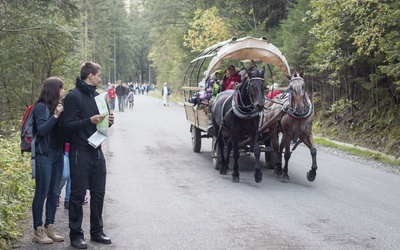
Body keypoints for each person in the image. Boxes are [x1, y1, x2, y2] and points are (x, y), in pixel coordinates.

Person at [61, 61, 114, 249]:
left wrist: (108, 122)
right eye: (98, 75)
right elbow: (65, 127)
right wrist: (88, 120)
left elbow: (99, 125)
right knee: (78, 194)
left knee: (98, 193)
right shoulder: (72, 96)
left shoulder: (98, 97)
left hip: (96, 150)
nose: (100, 78)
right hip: (79, 151)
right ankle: (76, 235)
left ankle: (97, 231)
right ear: (90, 75)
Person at [31, 77, 65, 244]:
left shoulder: (56, 107)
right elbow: (42, 130)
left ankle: (50, 225)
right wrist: (56, 116)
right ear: (53, 90)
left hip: (58, 154)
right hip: (44, 154)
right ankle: (38, 230)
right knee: (41, 192)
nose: (63, 91)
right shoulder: (40, 107)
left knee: (54, 192)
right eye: (61, 88)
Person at [57, 142, 71, 210]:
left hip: (76, 149)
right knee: (64, 175)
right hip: (64, 150)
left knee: (71, 177)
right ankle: (56, 193)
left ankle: (68, 199)